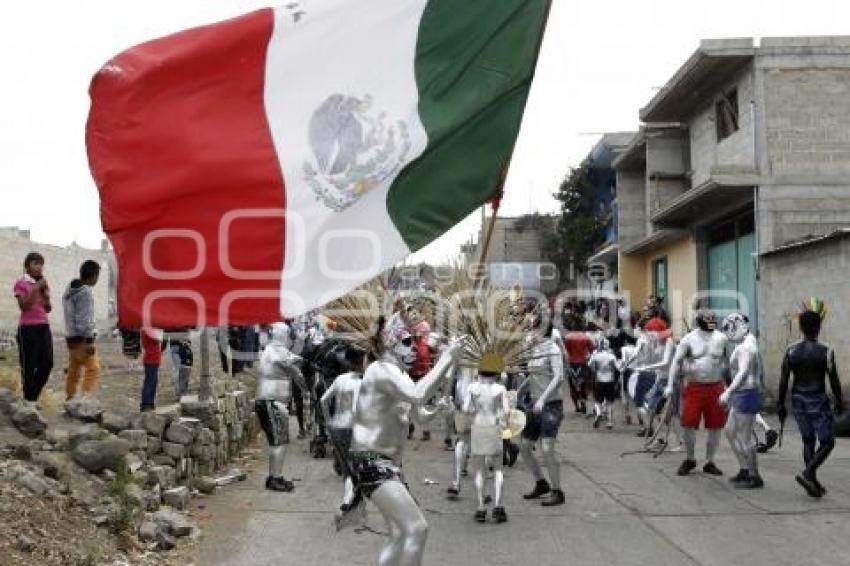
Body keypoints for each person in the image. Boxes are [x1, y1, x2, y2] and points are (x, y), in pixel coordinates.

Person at [347, 320, 460, 566]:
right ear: (390, 344)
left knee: (399, 533)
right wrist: (447, 358)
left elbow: (419, 416)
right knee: (417, 528)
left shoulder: (398, 374)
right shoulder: (381, 369)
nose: (412, 349)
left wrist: (438, 409)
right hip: (371, 461)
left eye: (412, 342)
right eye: (406, 342)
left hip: (386, 464)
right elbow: (418, 394)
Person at [777, 301, 844, 498]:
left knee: (808, 440)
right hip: (817, 401)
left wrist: (781, 404)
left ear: (800, 327)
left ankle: (812, 482)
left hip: (797, 399)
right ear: (819, 327)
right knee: (828, 442)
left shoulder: (791, 350)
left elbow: (783, 379)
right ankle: (807, 474)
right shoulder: (826, 351)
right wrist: (840, 401)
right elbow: (834, 380)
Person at [665, 309, 728, 476]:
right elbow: (675, 362)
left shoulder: (722, 338)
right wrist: (669, 385)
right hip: (694, 387)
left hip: (716, 387)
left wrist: (730, 387)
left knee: (715, 426)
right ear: (700, 321)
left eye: (713, 320)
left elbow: (728, 363)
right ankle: (690, 459)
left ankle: (710, 461)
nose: (712, 323)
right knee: (688, 424)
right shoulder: (689, 339)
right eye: (708, 320)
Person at [255, 322, 307, 492]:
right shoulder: (276, 351)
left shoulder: (270, 349)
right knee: (280, 442)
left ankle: (274, 476)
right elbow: (294, 367)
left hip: (271, 400)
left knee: (277, 442)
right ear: (283, 334)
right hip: (273, 400)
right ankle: (276, 478)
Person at [519, 320, 566, 506]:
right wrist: (519, 392)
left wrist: (543, 399)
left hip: (551, 405)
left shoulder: (553, 349)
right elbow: (532, 375)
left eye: (531, 329)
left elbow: (558, 376)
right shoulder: (535, 350)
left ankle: (557, 491)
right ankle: (541, 483)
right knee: (524, 447)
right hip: (534, 404)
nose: (529, 333)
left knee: (547, 448)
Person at [719, 313, 764, 489]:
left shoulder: (745, 347)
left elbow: (743, 371)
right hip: (743, 394)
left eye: (730, 330)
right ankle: (745, 470)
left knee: (745, 438)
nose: (729, 336)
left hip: (746, 394)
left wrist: (728, 392)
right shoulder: (747, 341)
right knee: (730, 431)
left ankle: (755, 476)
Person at [463, 355, 510, 523]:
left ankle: (481, 507)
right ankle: (498, 506)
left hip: (478, 427)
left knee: (479, 469)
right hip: (494, 427)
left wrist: (476, 407)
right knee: (498, 469)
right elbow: (505, 411)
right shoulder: (500, 389)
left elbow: (466, 409)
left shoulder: (472, 388)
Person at [321, 345, 365, 510]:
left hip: (336, 426)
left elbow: (323, 401)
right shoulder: (361, 382)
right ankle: (349, 499)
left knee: (348, 467)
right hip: (352, 428)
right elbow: (355, 409)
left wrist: (328, 422)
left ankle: (349, 498)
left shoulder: (339, 379)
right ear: (361, 363)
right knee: (353, 467)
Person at [13, 252, 54, 405]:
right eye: (35, 263)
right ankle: (30, 401)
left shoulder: (42, 284)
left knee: (48, 363)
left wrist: (47, 297)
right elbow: (24, 306)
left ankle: (32, 397)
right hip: (27, 329)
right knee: (29, 366)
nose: (39, 267)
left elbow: (47, 309)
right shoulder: (21, 283)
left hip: (43, 326)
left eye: (41, 264)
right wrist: (36, 287)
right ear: (27, 266)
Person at [62, 259, 101, 400]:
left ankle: (70, 397)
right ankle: (84, 400)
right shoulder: (85, 292)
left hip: (71, 337)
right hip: (82, 338)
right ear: (94, 275)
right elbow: (85, 319)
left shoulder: (69, 289)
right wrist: (90, 340)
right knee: (93, 369)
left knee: (74, 369)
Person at [588, 337, 618, 429]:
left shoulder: (596, 355)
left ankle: (598, 413)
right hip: (610, 380)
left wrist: (595, 369)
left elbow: (590, 365)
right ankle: (609, 422)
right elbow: (616, 367)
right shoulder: (612, 356)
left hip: (599, 380)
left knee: (597, 401)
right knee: (610, 402)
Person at [564, 321, 593, 414]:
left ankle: (577, 406)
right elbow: (592, 349)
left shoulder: (568, 337)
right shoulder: (586, 337)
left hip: (571, 363)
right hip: (583, 363)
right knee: (583, 385)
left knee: (572, 386)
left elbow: (565, 351)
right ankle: (583, 403)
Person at [140, 328, 163, 411]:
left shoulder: (148, 329)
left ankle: (150, 403)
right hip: (151, 360)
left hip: (153, 359)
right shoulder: (147, 329)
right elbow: (158, 339)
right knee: (149, 383)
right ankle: (146, 404)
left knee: (153, 383)